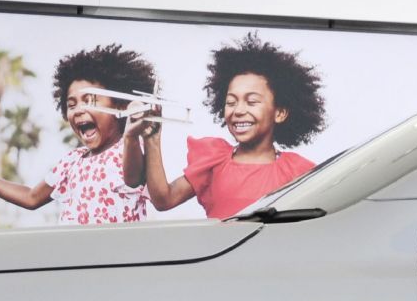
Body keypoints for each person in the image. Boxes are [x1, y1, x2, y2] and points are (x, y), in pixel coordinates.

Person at [0, 44, 157, 226]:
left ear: (119, 105)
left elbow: (132, 178)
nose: (78, 110)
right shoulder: (72, 161)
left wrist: (130, 136)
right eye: (71, 104)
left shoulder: (129, 148)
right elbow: (31, 197)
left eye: (89, 101)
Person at [138, 32, 326, 219]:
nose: (238, 110)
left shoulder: (297, 171)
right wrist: (152, 139)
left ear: (279, 113)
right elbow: (164, 200)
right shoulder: (214, 158)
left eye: (252, 102)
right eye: (231, 102)